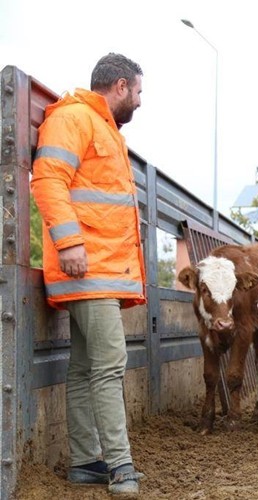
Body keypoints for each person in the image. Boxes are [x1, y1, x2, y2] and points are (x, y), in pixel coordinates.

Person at [30, 53, 146, 496]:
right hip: (87, 265)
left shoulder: (102, 129)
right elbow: (46, 180)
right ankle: (120, 466)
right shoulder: (76, 118)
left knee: (83, 368)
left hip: (97, 268)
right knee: (110, 366)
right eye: (138, 92)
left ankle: (85, 463)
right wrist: (70, 243)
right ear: (119, 86)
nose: (139, 101)